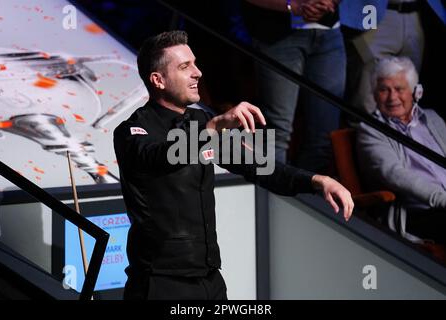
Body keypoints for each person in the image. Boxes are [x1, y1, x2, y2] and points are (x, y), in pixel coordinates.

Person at [114, 30, 353, 300]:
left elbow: (262, 168)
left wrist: (317, 180)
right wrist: (212, 128)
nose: (197, 73)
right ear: (158, 80)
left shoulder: (199, 120)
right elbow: (160, 158)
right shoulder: (132, 130)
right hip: (160, 284)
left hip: (210, 279)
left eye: (194, 63)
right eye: (184, 67)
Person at [242, 0, 346, 173]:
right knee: (277, 131)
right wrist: (292, 6)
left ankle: (306, 195)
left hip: (329, 33)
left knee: (324, 136)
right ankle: (273, 196)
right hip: (277, 35)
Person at [356, 57, 446, 244]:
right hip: (420, 213)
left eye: (399, 89)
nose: (392, 98)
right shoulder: (371, 130)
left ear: (416, 92)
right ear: (374, 94)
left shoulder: (432, 118)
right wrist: (442, 199)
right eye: (383, 90)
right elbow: (395, 174)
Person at [339, 0, 446, 116]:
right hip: (371, 12)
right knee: (366, 100)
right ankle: (366, 134)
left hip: (416, 14)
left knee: (407, 98)